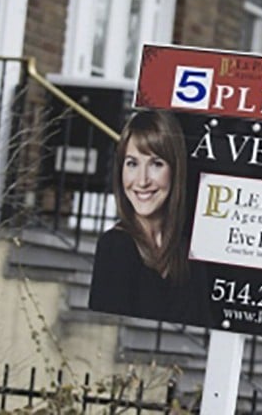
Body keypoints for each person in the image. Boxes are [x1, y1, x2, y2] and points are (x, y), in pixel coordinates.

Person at [89, 109, 209, 325]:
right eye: (132, 164)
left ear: (175, 170)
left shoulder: (187, 250)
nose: (142, 180)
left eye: (156, 164)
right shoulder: (115, 246)